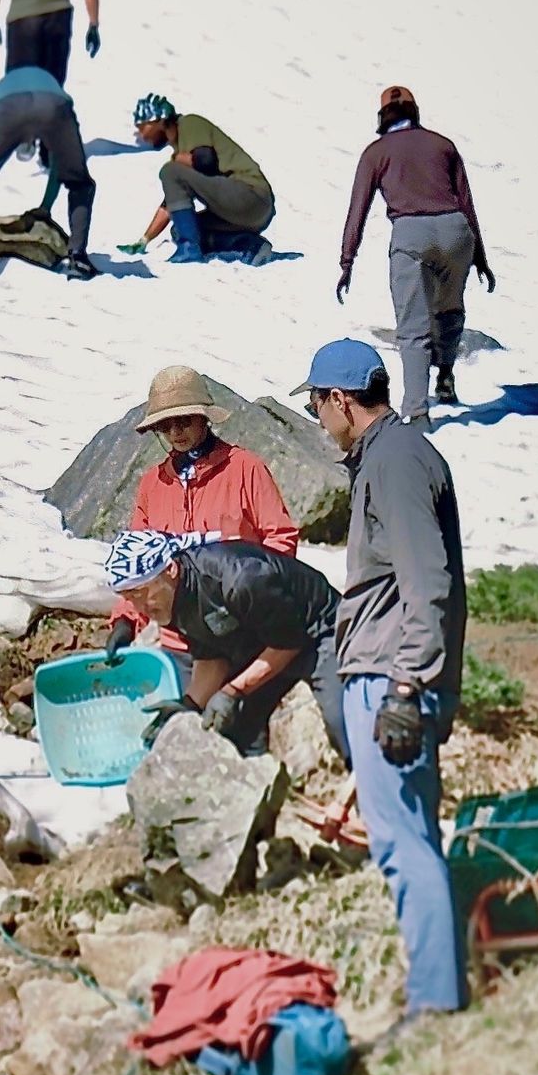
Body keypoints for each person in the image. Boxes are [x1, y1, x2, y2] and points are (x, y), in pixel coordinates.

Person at [299, 339, 468, 1017]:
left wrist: (405, 687)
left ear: (340, 400)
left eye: (317, 404)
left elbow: (427, 580)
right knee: (414, 836)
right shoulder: (396, 453)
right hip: (390, 669)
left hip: (391, 675)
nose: (317, 418)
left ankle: (433, 1007)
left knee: (401, 844)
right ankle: (442, 983)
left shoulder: (395, 462)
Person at [105, 366, 299, 684]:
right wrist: (125, 619)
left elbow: (280, 538)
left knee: (240, 727)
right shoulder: (153, 484)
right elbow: (136, 561)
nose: (176, 432)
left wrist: (256, 598)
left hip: (243, 637)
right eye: (165, 426)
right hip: (180, 644)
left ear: (204, 418)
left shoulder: (245, 468)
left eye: (184, 421)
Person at [104, 529, 348, 764]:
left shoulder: (240, 578)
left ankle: (365, 788)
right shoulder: (169, 599)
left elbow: (288, 642)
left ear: (170, 569)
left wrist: (233, 691)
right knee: (235, 728)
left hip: (317, 631)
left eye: (140, 593)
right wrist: (189, 705)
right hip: (258, 642)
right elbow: (211, 654)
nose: (139, 607)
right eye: (129, 598)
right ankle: (260, 791)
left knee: (342, 720)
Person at [337, 85, 496, 425]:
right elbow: (466, 202)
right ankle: (446, 375)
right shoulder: (443, 145)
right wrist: (479, 256)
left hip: (411, 233)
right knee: (450, 310)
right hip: (456, 233)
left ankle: (417, 412)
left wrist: (347, 261)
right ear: (415, 113)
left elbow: (358, 210)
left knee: (413, 329)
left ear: (383, 117)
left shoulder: (376, 152)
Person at [0, 66, 97, 286]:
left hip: (9, 106)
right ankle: (78, 260)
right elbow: (61, 167)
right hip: (57, 105)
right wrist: (45, 206)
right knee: (80, 184)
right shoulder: (50, 89)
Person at [122, 93, 275, 265]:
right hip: (246, 212)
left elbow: (206, 160)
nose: (143, 136)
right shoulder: (181, 150)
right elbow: (172, 204)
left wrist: (178, 161)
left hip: (250, 195)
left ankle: (188, 250)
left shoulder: (190, 124)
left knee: (170, 171)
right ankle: (249, 246)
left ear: (160, 121)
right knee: (181, 230)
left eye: (143, 127)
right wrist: (144, 240)